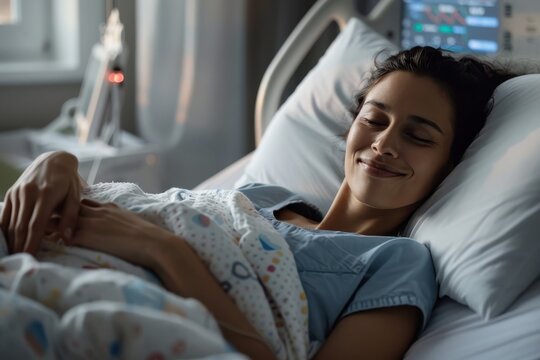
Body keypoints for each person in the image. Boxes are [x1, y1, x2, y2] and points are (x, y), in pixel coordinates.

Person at [0, 46, 516, 360]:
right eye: (374, 120)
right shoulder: (260, 198)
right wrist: (57, 163)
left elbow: (161, 238)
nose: (383, 143)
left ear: (450, 165)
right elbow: (146, 210)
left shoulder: (398, 266)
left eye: (418, 135)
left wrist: (164, 252)